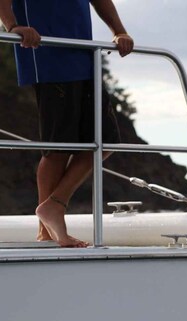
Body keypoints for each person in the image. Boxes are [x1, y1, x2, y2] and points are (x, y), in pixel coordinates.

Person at [0, 0, 134, 247]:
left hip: (83, 55)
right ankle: (46, 231)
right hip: (48, 55)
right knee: (58, 148)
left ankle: (53, 206)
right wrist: (13, 26)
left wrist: (119, 30)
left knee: (105, 140)